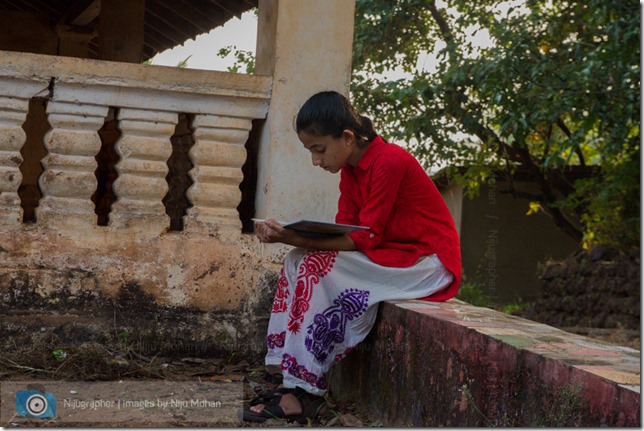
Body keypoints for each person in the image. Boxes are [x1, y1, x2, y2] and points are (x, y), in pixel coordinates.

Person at [244, 90, 461, 423]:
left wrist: (296, 236)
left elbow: (365, 237)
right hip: (393, 253)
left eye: (319, 149)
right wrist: (295, 239)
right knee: (295, 259)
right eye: (311, 152)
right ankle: (286, 378)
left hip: (428, 263)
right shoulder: (351, 171)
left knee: (314, 264)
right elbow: (349, 231)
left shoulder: (389, 161)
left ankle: (302, 389)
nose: (316, 161)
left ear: (347, 137)